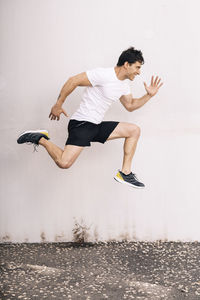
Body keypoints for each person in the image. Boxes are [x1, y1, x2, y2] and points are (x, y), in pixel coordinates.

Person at [17, 47, 163, 188]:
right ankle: (40, 138)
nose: (139, 72)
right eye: (137, 67)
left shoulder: (124, 84)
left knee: (134, 130)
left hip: (96, 125)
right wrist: (58, 104)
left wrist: (148, 95)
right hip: (83, 123)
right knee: (64, 163)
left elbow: (130, 105)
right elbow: (73, 80)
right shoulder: (103, 74)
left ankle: (125, 173)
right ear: (126, 64)